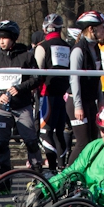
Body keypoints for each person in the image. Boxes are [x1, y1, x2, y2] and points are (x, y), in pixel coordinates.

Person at [0, 20, 43, 173]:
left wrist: (20, 88)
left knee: (30, 140)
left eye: (5, 38)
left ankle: (37, 172)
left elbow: (37, 78)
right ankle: (4, 176)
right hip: (2, 108)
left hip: (23, 106)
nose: (1, 41)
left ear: (14, 38)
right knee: (2, 143)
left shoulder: (27, 56)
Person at [68, 11, 104, 161]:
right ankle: (65, 177)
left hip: (90, 101)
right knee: (82, 143)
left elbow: (99, 76)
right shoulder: (78, 50)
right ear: (91, 29)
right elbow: (74, 79)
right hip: (77, 101)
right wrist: (78, 106)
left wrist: (101, 100)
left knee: (93, 142)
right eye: (101, 27)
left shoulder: (96, 49)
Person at [35, 13, 71, 171]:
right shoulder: (68, 46)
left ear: (45, 29)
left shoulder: (42, 46)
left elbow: (36, 72)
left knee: (45, 132)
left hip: (46, 94)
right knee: (59, 132)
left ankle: (51, 167)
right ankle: (61, 166)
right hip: (63, 94)